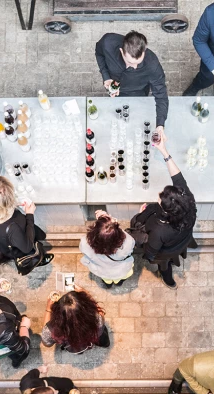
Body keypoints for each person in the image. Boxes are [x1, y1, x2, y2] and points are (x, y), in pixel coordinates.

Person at [130, 137, 197, 289]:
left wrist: (141, 216)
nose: (158, 196)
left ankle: (168, 279)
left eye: (160, 198)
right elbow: (178, 178)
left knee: (164, 264)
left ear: (166, 211)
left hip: (167, 251)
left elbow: (151, 251)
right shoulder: (188, 202)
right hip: (184, 239)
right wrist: (164, 151)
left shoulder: (159, 229)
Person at [94, 31, 168, 141]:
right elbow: (99, 54)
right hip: (115, 89)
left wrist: (160, 125)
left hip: (138, 92)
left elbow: (161, 94)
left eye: (138, 62)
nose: (135, 67)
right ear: (121, 51)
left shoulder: (152, 64)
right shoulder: (108, 42)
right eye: (130, 62)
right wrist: (106, 77)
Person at [0, 176, 53, 271]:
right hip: (12, 246)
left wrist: (7, 204)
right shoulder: (13, 226)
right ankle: (39, 261)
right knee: (25, 251)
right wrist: (30, 214)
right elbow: (27, 247)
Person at [41, 287, 109, 354]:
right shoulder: (96, 318)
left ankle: (80, 352)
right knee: (103, 339)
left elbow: (46, 343)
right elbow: (101, 313)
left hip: (73, 346)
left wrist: (48, 309)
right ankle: (105, 344)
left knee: (78, 348)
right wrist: (86, 294)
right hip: (91, 338)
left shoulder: (52, 330)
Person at [80, 210, 135, 288]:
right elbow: (116, 234)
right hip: (121, 270)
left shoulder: (85, 242)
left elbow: (105, 232)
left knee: (106, 279)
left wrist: (102, 221)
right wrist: (109, 221)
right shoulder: (128, 241)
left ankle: (108, 285)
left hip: (102, 270)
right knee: (119, 279)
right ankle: (118, 283)